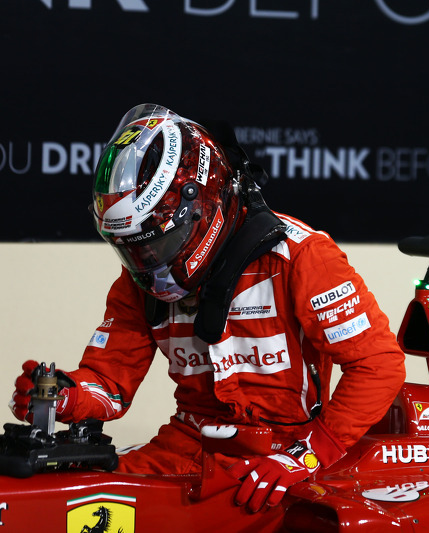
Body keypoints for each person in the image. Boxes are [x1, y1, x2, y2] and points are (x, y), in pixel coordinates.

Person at [10, 104, 406, 518]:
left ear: (202, 207)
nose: (145, 259)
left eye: (154, 243)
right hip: (186, 443)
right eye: (130, 248)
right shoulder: (137, 281)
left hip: (286, 456)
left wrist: (306, 457)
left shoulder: (301, 256)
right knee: (61, 508)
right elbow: (109, 384)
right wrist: (64, 394)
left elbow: (378, 365)